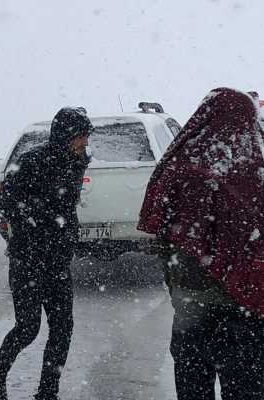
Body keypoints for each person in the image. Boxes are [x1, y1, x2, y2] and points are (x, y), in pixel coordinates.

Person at [138, 88, 264, 400]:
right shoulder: (254, 172)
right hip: (246, 311)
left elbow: (162, 233)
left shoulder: (178, 167)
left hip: (191, 308)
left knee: (193, 387)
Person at [0, 107, 93, 400]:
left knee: (62, 328)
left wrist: (67, 232)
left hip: (57, 261)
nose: (85, 143)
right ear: (66, 136)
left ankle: (48, 392)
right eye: (81, 137)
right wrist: (38, 215)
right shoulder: (31, 161)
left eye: (86, 137)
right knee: (28, 327)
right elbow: (3, 200)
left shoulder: (77, 161)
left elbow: (67, 205)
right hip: (28, 259)